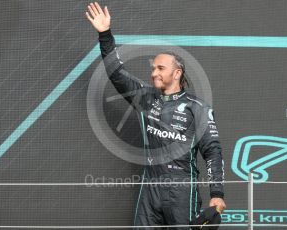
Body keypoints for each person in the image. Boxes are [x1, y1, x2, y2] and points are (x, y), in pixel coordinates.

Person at [86, 2, 226, 229]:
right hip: (150, 186)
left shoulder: (198, 107)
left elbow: (213, 152)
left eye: (160, 68)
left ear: (177, 72)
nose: (154, 73)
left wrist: (217, 194)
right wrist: (105, 34)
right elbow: (116, 73)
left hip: (181, 188)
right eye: (153, 69)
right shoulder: (145, 98)